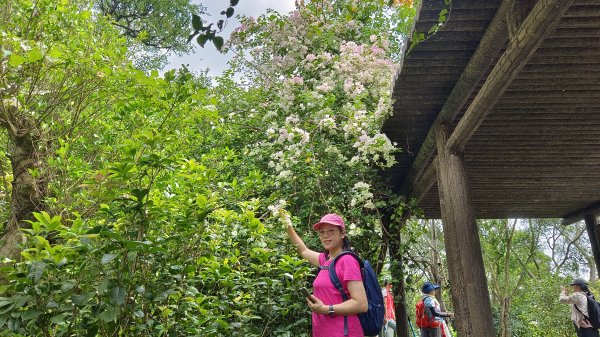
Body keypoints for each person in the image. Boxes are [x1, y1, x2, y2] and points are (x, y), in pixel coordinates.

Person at [284, 212, 368, 337]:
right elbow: (303, 250)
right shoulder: (326, 260)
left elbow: (361, 304)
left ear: (343, 234)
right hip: (324, 331)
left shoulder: (347, 261)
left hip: (344, 332)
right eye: (322, 232)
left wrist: (326, 309)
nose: (325, 235)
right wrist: (287, 224)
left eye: (331, 231)